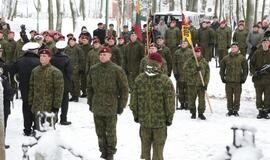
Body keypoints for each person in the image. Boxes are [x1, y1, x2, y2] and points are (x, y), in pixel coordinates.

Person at [130, 52, 175, 160]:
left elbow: (133, 102)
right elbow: (170, 104)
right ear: (160, 64)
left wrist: (136, 116)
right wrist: (169, 119)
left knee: (145, 151)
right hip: (160, 123)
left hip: (144, 121)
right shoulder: (165, 81)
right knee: (158, 153)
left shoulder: (139, 79)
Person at [87, 47, 129, 160]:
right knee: (99, 131)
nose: (102, 56)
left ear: (110, 56)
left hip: (111, 105)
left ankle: (110, 152)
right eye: (101, 54)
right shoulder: (93, 69)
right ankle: (103, 150)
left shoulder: (117, 70)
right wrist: (90, 102)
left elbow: (124, 89)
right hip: (97, 105)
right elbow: (89, 88)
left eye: (105, 54)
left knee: (110, 132)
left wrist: (122, 105)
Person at [9, 42, 40, 136]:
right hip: (37, 88)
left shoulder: (20, 61)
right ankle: (36, 127)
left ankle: (27, 129)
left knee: (26, 107)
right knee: (37, 107)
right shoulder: (39, 61)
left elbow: (11, 71)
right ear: (34, 51)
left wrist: (18, 77)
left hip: (24, 88)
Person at [28, 49, 64, 124]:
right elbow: (31, 87)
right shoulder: (35, 71)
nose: (42, 58)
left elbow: (59, 90)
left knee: (48, 131)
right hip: (37, 106)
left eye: (44, 56)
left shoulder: (55, 72)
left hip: (49, 106)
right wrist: (30, 102)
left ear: (49, 57)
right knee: (38, 128)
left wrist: (56, 106)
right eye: (40, 56)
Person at [220, 42, 248, 116]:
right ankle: (230, 110)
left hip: (238, 82)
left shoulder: (242, 58)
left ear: (238, 48)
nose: (233, 48)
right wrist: (222, 77)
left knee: (237, 98)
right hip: (228, 81)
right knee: (229, 97)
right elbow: (222, 69)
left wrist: (244, 78)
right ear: (231, 48)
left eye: (235, 47)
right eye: (232, 47)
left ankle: (236, 110)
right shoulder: (226, 58)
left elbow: (245, 69)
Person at [184, 47, 210, 120]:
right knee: (191, 100)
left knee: (202, 100)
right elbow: (185, 70)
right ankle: (193, 113)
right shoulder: (189, 61)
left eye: (198, 52)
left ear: (200, 53)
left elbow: (207, 73)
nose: (197, 54)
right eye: (195, 52)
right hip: (192, 84)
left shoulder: (204, 62)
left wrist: (206, 83)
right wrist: (195, 69)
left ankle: (201, 113)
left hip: (201, 84)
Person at [51, 41, 72, 125]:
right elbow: (69, 72)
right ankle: (63, 119)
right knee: (64, 102)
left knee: (54, 100)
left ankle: (53, 118)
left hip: (54, 83)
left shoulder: (52, 58)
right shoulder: (67, 59)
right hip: (64, 83)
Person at [250, 38, 270, 119]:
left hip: (268, 79)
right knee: (258, 96)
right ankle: (260, 111)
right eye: (264, 42)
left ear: (269, 43)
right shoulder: (257, 53)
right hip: (258, 79)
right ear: (262, 44)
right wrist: (255, 72)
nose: (265, 44)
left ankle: (265, 111)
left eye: (267, 42)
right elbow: (251, 64)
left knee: (267, 96)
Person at [173, 40, 193, 110]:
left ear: (187, 44)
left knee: (188, 90)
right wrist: (175, 73)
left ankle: (187, 103)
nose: (183, 44)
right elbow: (174, 63)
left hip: (188, 74)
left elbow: (193, 62)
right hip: (180, 74)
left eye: (185, 43)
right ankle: (181, 103)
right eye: (182, 43)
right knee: (180, 90)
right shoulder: (177, 52)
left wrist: (192, 72)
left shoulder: (191, 52)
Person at [65, 37, 84, 102]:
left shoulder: (78, 49)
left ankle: (76, 96)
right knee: (70, 83)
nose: (71, 42)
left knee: (76, 83)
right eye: (70, 41)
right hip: (68, 68)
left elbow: (82, 59)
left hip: (76, 68)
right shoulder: (66, 49)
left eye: (73, 41)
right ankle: (72, 95)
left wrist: (80, 68)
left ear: (75, 42)